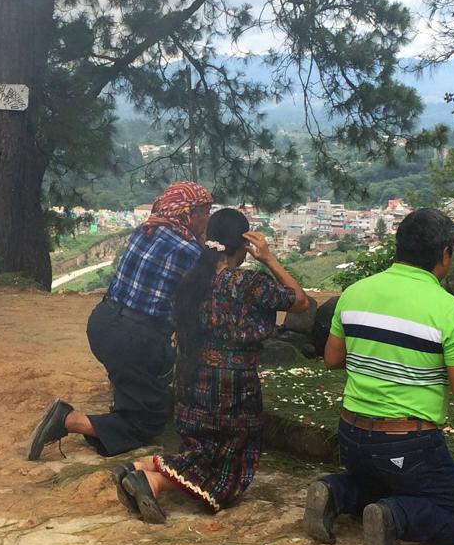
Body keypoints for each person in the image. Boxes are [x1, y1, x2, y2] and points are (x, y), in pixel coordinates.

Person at [302, 208, 454, 545]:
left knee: (383, 481)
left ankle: (334, 492)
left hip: (352, 436)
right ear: (445, 254)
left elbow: (332, 358)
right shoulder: (449, 310)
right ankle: (393, 518)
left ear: (398, 247)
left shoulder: (355, 293)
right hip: (407, 442)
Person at [113, 208, 308, 523]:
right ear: (244, 244)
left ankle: (137, 468)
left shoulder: (192, 280)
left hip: (193, 378)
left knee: (202, 449)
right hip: (234, 385)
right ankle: (153, 481)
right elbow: (300, 302)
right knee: (226, 474)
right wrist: (269, 259)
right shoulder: (246, 283)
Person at [27, 181, 213, 460]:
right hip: (135, 338)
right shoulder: (190, 252)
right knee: (149, 420)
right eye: (205, 213)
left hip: (103, 323)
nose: (206, 220)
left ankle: (120, 400)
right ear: (189, 213)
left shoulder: (146, 230)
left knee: (136, 375)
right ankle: (67, 420)